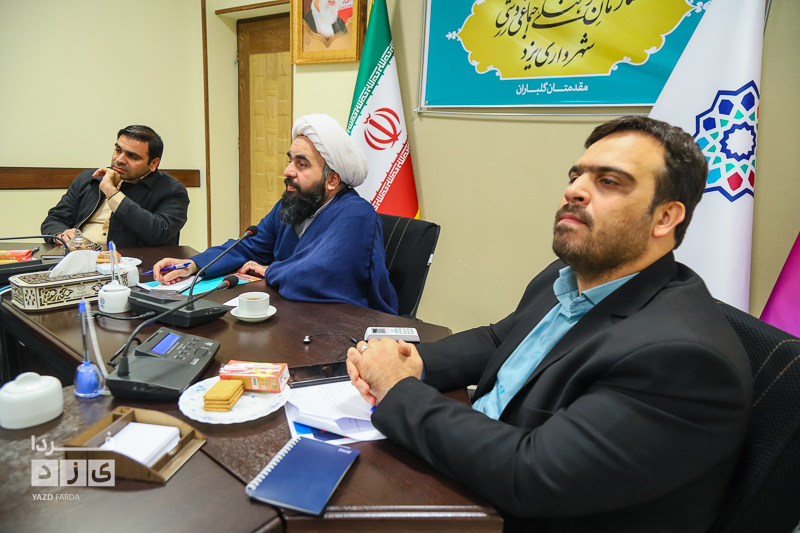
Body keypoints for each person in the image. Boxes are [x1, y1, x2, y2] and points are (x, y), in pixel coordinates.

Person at [346, 116, 752, 532]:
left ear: (665, 217)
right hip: (465, 475)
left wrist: (398, 388)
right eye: (577, 176)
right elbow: (499, 340)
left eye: (609, 181)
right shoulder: (568, 274)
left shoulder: (683, 359)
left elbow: (529, 474)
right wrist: (414, 362)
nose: (574, 190)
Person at [153, 113, 398, 315]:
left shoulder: (356, 214)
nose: (288, 171)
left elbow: (318, 275)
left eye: (302, 164)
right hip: (295, 316)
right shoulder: (292, 205)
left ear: (332, 180)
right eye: (291, 161)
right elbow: (247, 247)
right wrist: (195, 264)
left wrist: (269, 270)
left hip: (350, 327)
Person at [41, 125, 189, 247]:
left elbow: (158, 232)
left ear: (153, 164)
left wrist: (111, 192)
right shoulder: (89, 179)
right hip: (79, 257)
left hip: (130, 263)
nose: (120, 159)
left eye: (132, 156)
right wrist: (61, 235)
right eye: (118, 150)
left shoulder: (172, 190)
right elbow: (54, 219)